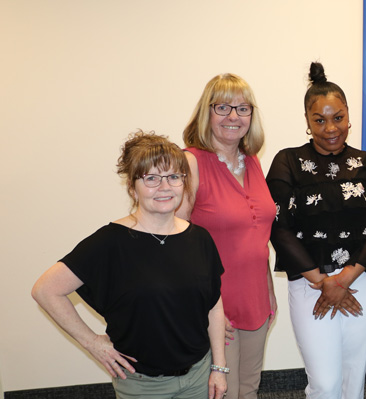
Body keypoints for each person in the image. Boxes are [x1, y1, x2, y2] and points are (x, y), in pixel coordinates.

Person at [32, 131, 228, 399]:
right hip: (141, 386)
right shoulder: (110, 242)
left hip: (198, 377)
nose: (164, 187)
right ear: (132, 187)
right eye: (151, 178)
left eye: (173, 177)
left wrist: (219, 367)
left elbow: (214, 306)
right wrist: (92, 343)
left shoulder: (199, 238)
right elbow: (45, 289)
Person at [266, 62, 366, 398]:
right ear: (307, 122)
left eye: (337, 117)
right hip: (311, 284)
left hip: (362, 281)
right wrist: (323, 282)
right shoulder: (287, 161)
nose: (330, 128)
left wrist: (345, 280)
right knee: (324, 382)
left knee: (354, 378)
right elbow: (277, 228)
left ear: (348, 115)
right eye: (319, 120)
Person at [178, 73, 277, 399]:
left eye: (242, 108)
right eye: (223, 107)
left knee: (248, 389)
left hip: (256, 300)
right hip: (215, 306)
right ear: (206, 112)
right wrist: (202, 306)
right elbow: (175, 244)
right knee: (222, 393)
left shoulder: (251, 163)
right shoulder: (190, 163)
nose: (233, 116)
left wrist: (269, 289)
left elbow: (257, 235)